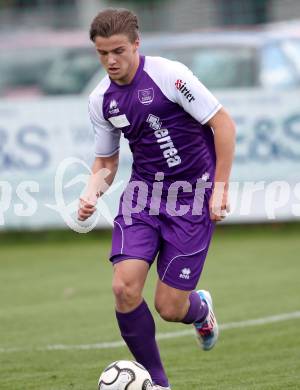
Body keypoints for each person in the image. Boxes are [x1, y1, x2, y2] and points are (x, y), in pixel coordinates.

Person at [78, 8, 236, 390]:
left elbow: (222, 123)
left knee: (169, 308)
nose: (111, 61)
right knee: (123, 288)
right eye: (102, 54)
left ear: (136, 44)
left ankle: (200, 309)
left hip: (191, 196)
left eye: (118, 51)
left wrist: (220, 186)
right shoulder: (101, 100)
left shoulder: (170, 75)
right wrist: (90, 191)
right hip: (143, 196)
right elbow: (107, 160)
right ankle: (160, 383)